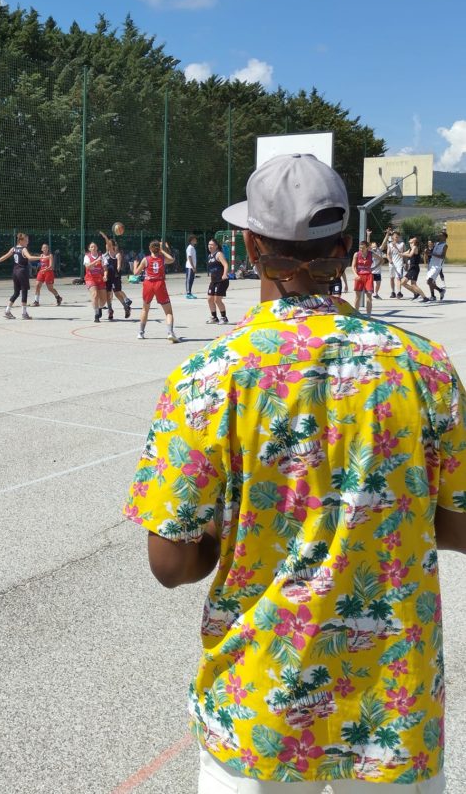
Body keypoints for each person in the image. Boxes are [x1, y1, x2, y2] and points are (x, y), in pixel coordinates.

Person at [124, 152, 466, 792]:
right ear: (348, 248)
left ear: (251, 246)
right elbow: (461, 525)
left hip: (261, 703)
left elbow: (170, 564)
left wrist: (239, 530)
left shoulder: (208, 376)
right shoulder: (425, 366)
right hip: (393, 707)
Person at [134, 239, 179, 342]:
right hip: (159, 284)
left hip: (148, 284)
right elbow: (172, 259)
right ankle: (170, 333)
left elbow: (136, 273)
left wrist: (135, 265)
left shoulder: (146, 259)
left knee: (145, 309)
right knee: (168, 312)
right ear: (159, 249)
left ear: (150, 249)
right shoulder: (162, 259)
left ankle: (141, 332)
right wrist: (162, 251)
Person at [0, 232, 40, 319]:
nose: (27, 242)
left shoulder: (13, 249)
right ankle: (24, 313)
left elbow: (5, 256)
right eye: (26, 240)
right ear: (21, 241)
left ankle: (7, 311)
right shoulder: (24, 249)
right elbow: (30, 258)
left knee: (16, 292)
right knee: (24, 291)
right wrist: (41, 257)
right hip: (22, 272)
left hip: (15, 272)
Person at [99, 231, 131, 320]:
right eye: (106, 244)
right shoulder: (104, 255)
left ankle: (126, 307)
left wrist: (105, 236)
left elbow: (118, 266)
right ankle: (110, 310)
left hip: (115, 277)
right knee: (108, 294)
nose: (107, 245)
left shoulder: (115, 254)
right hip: (107, 277)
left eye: (109, 244)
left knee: (117, 293)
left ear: (112, 246)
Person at [205, 238, 230, 324]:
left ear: (216, 246)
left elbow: (226, 265)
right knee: (209, 299)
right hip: (214, 281)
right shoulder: (209, 256)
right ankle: (214, 317)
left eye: (211, 245)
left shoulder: (219, 254)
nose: (210, 246)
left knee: (217, 300)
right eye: (209, 244)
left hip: (221, 280)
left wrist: (225, 274)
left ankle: (224, 318)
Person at [83, 242, 108, 322]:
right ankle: (96, 314)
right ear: (89, 249)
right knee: (95, 294)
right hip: (90, 279)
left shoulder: (102, 256)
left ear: (97, 248)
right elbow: (87, 266)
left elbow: (105, 268)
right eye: (91, 247)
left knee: (104, 299)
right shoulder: (87, 256)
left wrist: (105, 276)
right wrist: (96, 261)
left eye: (95, 246)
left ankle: (100, 308)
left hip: (100, 279)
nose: (93, 248)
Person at [350, 238, 374, 314]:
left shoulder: (371, 254)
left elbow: (381, 260)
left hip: (368, 276)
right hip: (359, 276)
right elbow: (353, 266)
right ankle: (356, 313)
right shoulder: (356, 254)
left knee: (369, 296)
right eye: (360, 247)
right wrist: (355, 274)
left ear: (367, 248)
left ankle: (368, 315)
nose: (361, 249)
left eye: (363, 248)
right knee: (357, 297)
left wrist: (374, 268)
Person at [400, 234, 426, 300]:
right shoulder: (411, 248)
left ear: (415, 241)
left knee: (413, 284)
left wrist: (402, 254)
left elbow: (410, 255)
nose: (410, 239)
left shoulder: (415, 247)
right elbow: (405, 253)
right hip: (411, 268)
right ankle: (416, 293)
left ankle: (425, 298)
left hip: (414, 268)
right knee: (403, 282)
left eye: (412, 239)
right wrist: (399, 253)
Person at [382, 228, 406, 298]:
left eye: (398, 237)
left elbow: (404, 253)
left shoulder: (402, 244)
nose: (397, 238)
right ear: (392, 237)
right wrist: (389, 260)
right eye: (395, 236)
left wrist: (406, 263)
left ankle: (399, 292)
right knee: (392, 278)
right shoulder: (390, 244)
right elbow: (388, 254)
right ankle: (393, 292)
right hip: (392, 263)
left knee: (398, 277)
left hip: (399, 263)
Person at [426, 231, 448, 302]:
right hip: (431, 265)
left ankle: (440, 291)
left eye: (440, 235)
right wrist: (427, 252)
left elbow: (442, 256)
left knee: (429, 281)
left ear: (444, 237)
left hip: (437, 266)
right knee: (430, 281)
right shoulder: (436, 243)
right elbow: (430, 251)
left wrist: (432, 254)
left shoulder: (445, 245)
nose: (439, 236)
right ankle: (433, 295)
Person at [185, 234, 198, 299]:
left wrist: (194, 267)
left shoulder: (192, 248)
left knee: (191, 280)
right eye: (194, 239)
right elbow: (189, 257)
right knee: (189, 280)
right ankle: (188, 293)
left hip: (192, 267)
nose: (195, 240)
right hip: (190, 267)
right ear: (191, 241)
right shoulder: (190, 247)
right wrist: (193, 267)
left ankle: (189, 292)